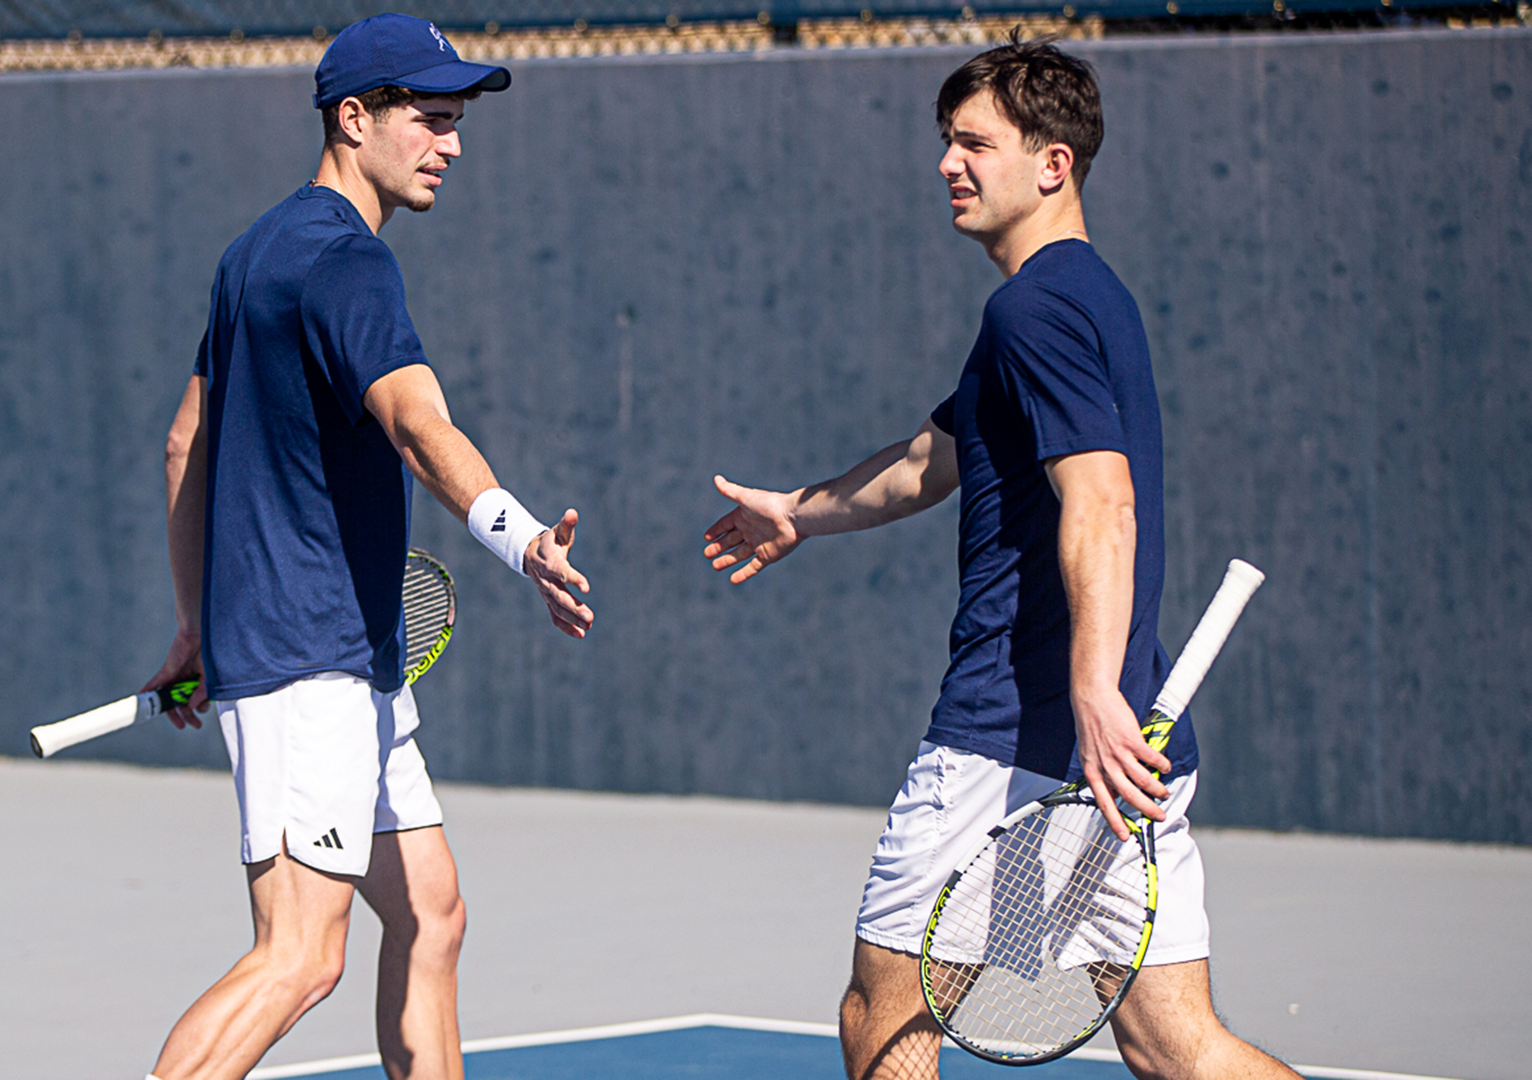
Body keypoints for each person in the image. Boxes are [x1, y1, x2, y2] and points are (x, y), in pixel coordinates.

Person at [703, 34, 1298, 1080]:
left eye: (975, 144)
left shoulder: (1034, 310)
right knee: (1177, 1046)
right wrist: (797, 511)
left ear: (1052, 163)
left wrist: (1091, 693)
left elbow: (1102, 501)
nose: (948, 163)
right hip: (1123, 752)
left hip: (1011, 746)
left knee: (887, 1020)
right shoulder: (1080, 298)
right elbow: (927, 462)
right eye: (947, 141)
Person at [141, 15, 594, 1080]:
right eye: (429, 118)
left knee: (432, 912)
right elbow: (417, 426)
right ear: (354, 119)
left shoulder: (253, 254)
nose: (452, 143)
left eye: (457, 120)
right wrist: (519, 538)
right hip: (311, 663)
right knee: (299, 956)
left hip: (335, 656)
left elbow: (184, 443)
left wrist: (197, 623)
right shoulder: (350, 263)